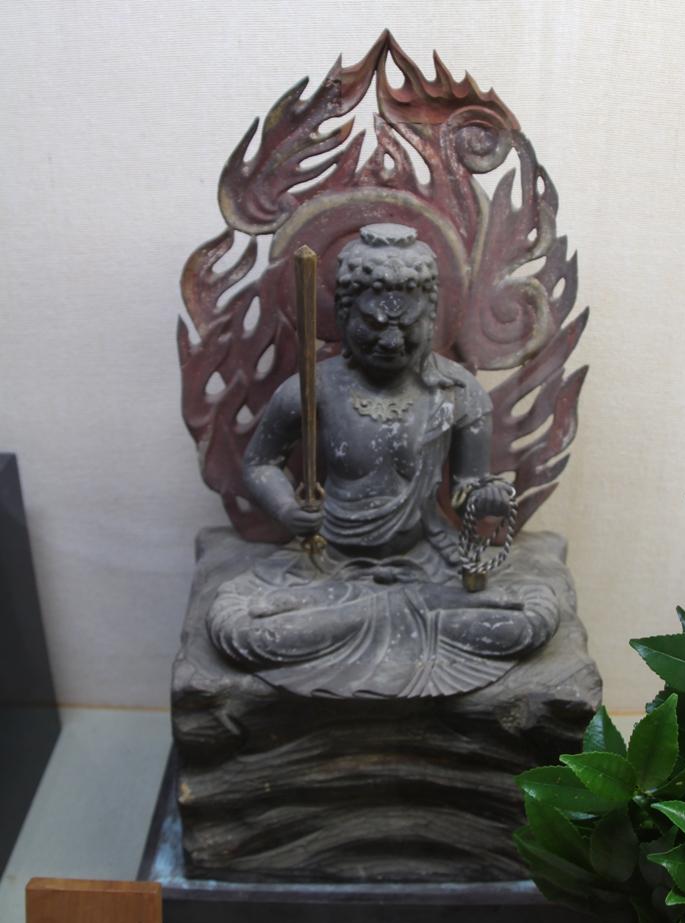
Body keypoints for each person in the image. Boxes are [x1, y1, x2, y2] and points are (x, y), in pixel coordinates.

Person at [207, 224, 558, 699]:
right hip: (328, 565)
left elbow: (468, 488)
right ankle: (397, 624)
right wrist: (288, 510)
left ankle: (389, 620)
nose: (391, 342)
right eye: (373, 325)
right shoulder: (316, 387)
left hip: (428, 565)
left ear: (431, 317)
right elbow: (259, 463)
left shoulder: (458, 393)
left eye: (407, 326)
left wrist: (486, 499)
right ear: (345, 315)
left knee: (531, 619)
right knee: (239, 629)